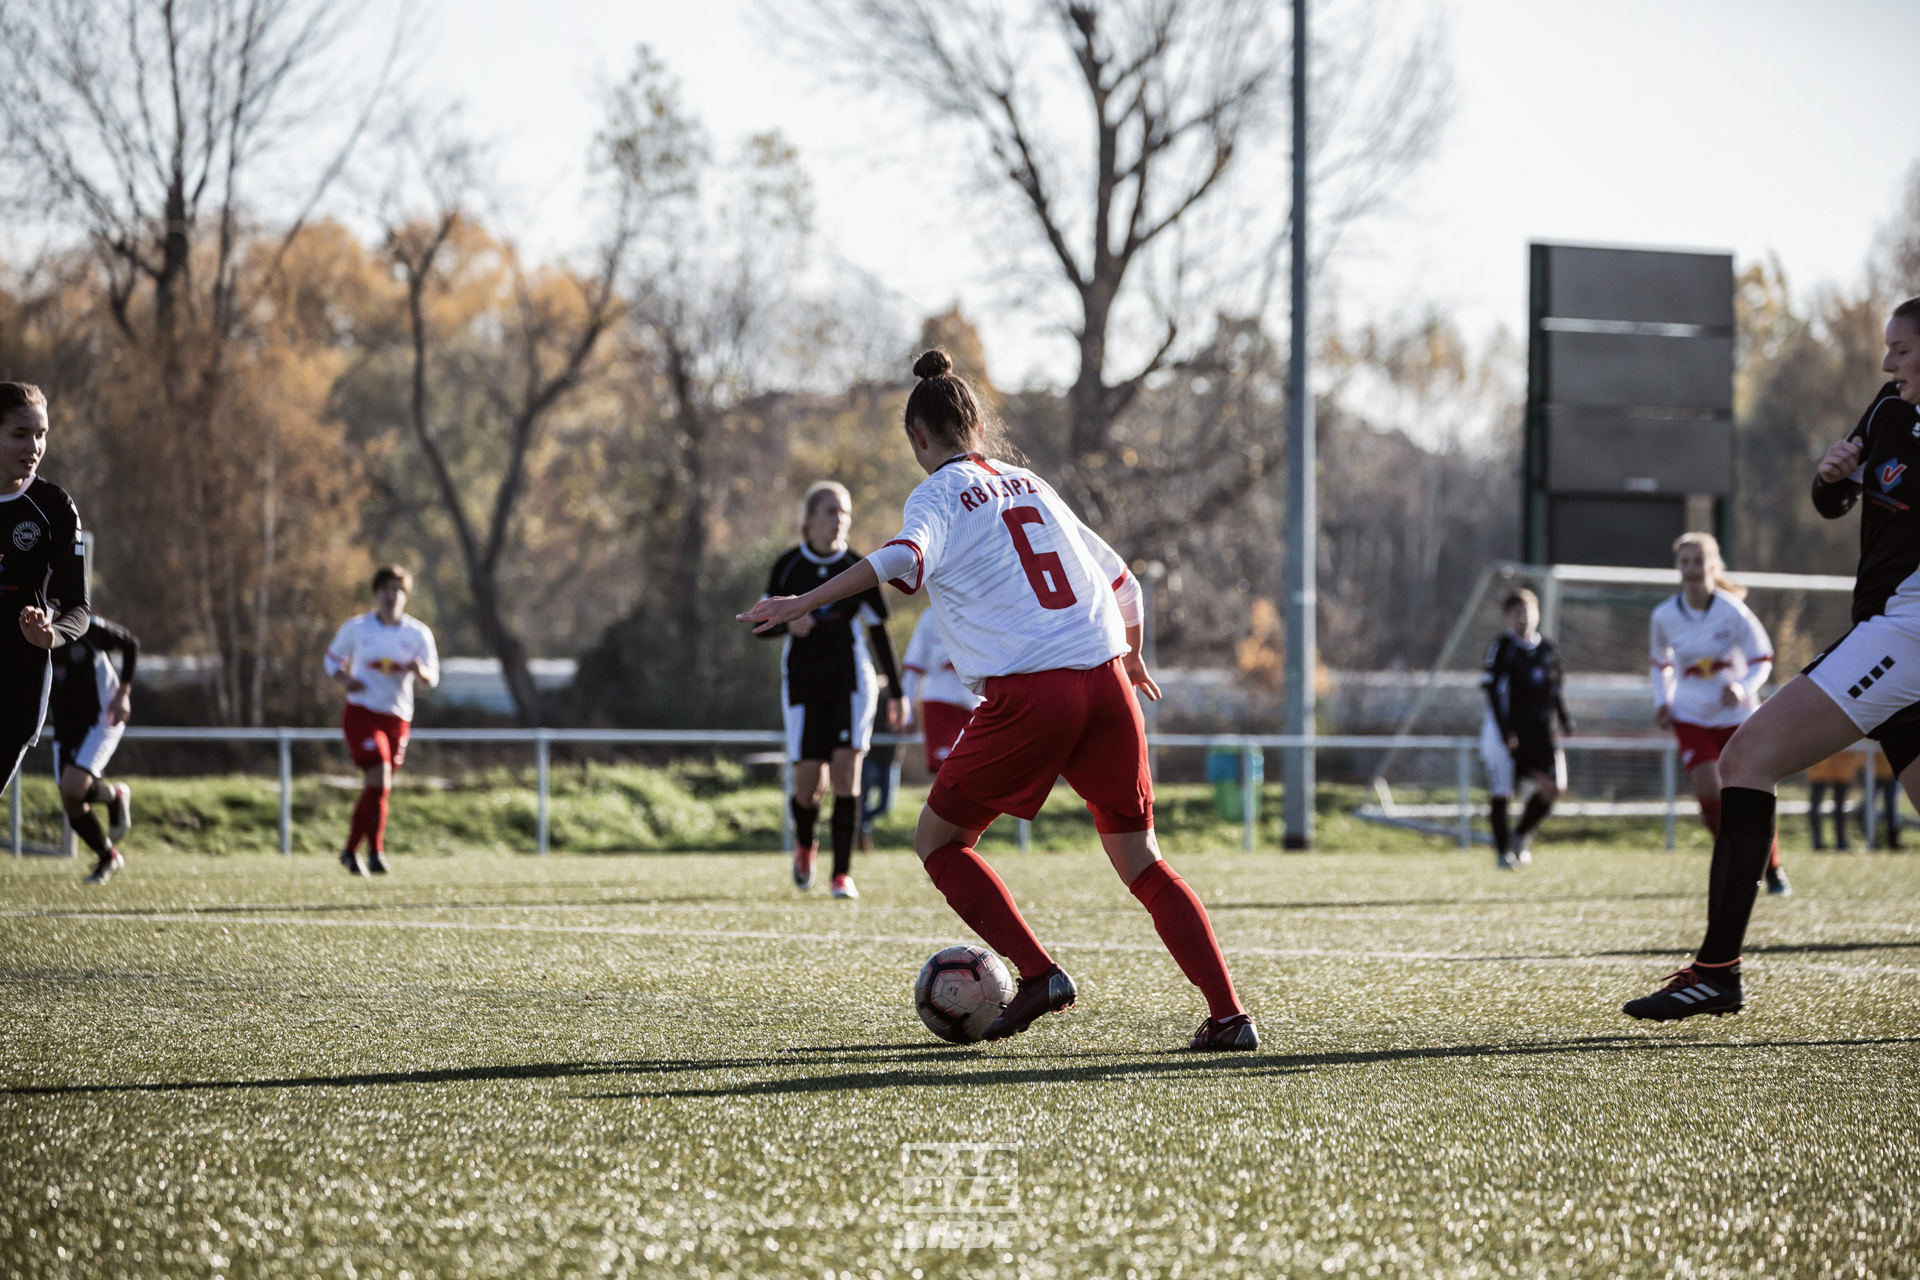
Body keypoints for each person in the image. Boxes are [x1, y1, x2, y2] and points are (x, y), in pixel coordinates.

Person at [739, 350, 1257, 1052]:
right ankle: (1229, 1016)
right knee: (1144, 862)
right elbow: (1125, 583)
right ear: (977, 424)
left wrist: (804, 598)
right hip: (1107, 683)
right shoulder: (1030, 483)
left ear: (919, 438)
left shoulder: (938, 495)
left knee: (938, 841)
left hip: (1033, 692)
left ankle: (1040, 973)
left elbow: (900, 560)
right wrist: (1131, 654)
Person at [1624, 297, 1920, 1021]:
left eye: (1902, 351)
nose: (1886, 364)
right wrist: (1833, 473)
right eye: (1887, 348)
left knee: (1745, 758)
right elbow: (1832, 500)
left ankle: (1717, 971)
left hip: (1905, 631)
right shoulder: (1888, 409)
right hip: (1888, 627)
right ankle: (1717, 972)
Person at [759, 481, 906, 900]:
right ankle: (805, 847)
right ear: (808, 519)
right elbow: (757, 625)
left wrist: (896, 692)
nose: (838, 519)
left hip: (851, 683)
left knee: (846, 775)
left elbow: (880, 634)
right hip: (804, 685)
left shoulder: (859, 567)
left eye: (844, 512)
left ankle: (841, 875)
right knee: (808, 785)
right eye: (829, 511)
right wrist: (788, 622)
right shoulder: (789, 567)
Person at [1649, 532, 1788, 894]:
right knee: (1710, 786)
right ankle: (1731, 855)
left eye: (1699, 561)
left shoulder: (1732, 610)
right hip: (1691, 716)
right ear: (1677, 567)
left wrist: (1742, 687)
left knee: (1749, 793)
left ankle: (1771, 868)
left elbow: (1763, 658)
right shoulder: (1663, 616)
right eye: (1685, 562)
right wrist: (1661, 700)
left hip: (1737, 717)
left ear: (1712, 566)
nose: (1692, 569)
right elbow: (1658, 663)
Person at [0, 383, 92, 867]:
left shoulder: (55, 507)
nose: (33, 447)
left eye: (41, 435)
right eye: (20, 434)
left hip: (17, 682)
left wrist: (49, 634)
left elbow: (78, 606)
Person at [324, 566, 439, 876]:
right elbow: (332, 659)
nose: (391, 596)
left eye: (397, 590)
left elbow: (432, 677)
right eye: (386, 589)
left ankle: (351, 850)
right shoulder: (357, 628)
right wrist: (345, 679)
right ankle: (375, 852)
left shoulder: (417, 634)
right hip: (362, 713)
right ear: (376, 594)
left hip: (398, 717)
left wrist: (419, 672)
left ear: (405, 596)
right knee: (380, 774)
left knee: (379, 786)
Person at [1479, 588, 1574, 869]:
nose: (1523, 617)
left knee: (1555, 786)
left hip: (1541, 733)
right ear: (1507, 617)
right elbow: (1494, 693)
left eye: (1528, 611)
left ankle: (1519, 835)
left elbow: (1555, 690)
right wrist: (1505, 731)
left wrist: (1565, 719)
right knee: (1503, 793)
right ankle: (1502, 852)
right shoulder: (1501, 649)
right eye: (1516, 612)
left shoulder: (1548, 649)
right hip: (1505, 735)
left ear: (1538, 613)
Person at [48, 616, 138, 883]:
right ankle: (107, 856)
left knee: (73, 787)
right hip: (65, 727)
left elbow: (131, 644)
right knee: (71, 800)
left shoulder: (85, 626)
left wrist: (123, 693)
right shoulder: (28, 630)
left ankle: (115, 795)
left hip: (102, 718)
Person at [901, 607, 983, 773]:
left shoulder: (986, 609)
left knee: (978, 771)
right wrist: (906, 713)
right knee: (946, 772)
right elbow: (913, 667)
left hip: (979, 707)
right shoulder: (930, 616)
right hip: (939, 704)